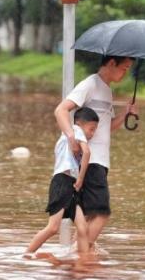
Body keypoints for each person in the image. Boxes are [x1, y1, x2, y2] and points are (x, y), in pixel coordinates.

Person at [54, 55, 137, 253]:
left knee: (91, 216)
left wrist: (126, 115)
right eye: (124, 68)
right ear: (111, 63)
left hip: (100, 161)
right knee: (101, 212)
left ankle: (78, 264)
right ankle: (80, 254)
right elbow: (61, 110)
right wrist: (72, 137)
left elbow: (105, 129)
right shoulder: (90, 84)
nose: (125, 73)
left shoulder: (107, 90)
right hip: (91, 161)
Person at [25, 107, 100, 255]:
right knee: (53, 228)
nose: (92, 134)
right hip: (63, 182)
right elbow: (87, 152)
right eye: (91, 129)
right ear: (79, 123)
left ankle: (82, 262)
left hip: (71, 184)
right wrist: (80, 178)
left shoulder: (70, 136)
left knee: (83, 228)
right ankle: (26, 254)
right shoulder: (76, 130)